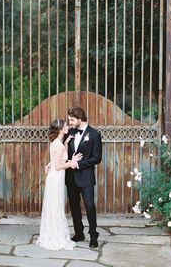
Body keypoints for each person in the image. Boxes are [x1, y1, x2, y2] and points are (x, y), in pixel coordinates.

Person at [37, 119, 83, 251]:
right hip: (56, 178)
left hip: (55, 177)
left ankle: (53, 232)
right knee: (56, 206)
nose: (67, 126)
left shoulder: (57, 143)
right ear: (60, 129)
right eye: (65, 126)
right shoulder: (58, 145)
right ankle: (55, 236)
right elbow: (58, 166)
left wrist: (67, 144)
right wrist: (72, 162)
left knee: (55, 205)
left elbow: (58, 159)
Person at [65, 106, 102, 248]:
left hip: (86, 177)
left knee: (89, 205)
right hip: (71, 178)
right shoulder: (70, 132)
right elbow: (63, 152)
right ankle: (79, 233)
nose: (70, 123)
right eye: (69, 120)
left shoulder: (94, 134)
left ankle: (93, 235)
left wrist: (78, 164)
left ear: (80, 119)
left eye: (72, 120)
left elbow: (97, 158)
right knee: (74, 206)